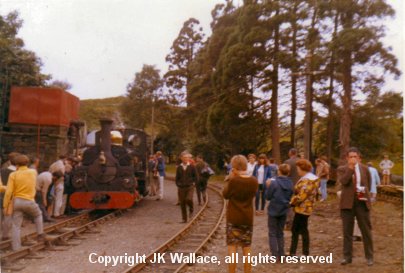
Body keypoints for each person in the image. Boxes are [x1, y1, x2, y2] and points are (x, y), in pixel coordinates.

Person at [3, 155, 54, 251]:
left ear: (16, 164)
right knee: (38, 214)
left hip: (17, 201)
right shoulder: (33, 172)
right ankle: (40, 234)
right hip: (29, 201)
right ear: (27, 163)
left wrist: (6, 205)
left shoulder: (13, 175)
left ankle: (16, 248)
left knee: (16, 226)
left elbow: (9, 192)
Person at [338, 147, 373, 266]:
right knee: (347, 232)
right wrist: (350, 169)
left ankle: (369, 257)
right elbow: (344, 181)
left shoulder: (365, 169)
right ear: (347, 158)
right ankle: (347, 257)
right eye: (351, 157)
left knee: (366, 231)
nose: (353, 159)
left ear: (359, 157)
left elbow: (368, 183)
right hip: (347, 204)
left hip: (362, 203)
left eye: (355, 156)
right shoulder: (342, 169)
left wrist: (367, 196)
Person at [222, 155, 258, 273]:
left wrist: (229, 178)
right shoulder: (254, 181)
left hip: (233, 218)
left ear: (234, 167)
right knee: (246, 248)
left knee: (232, 248)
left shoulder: (233, 180)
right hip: (247, 218)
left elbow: (225, 195)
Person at [289, 159, 319, 256]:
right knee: (302, 229)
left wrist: (291, 202)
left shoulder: (308, 180)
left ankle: (294, 252)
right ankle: (303, 252)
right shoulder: (310, 179)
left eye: (298, 168)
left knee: (296, 230)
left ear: (303, 169)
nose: (297, 170)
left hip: (302, 208)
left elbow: (302, 195)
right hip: (306, 207)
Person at [265, 164, 293, 260]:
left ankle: (274, 254)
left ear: (279, 171)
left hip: (273, 209)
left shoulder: (274, 183)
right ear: (288, 172)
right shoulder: (290, 183)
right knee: (280, 232)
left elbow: (268, 196)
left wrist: (267, 186)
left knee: (272, 232)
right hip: (284, 209)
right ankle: (281, 253)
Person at [0, 152, 19, 241]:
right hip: (11, 196)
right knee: (8, 216)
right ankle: (5, 235)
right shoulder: (17, 173)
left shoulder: (2, 170)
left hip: (1, 194)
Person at [175, 152, 198, 223]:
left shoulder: (192, 167)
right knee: (182, 203)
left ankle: (191, 209)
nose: (185, 159)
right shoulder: (179, 167)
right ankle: (184, 219)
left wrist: (194, 183)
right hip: (181, 187)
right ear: (181, 158)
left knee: (188, 199)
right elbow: (177, 178)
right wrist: (178, 184)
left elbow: (196, 177)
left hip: (190, 186)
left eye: (187, 158)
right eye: (184, 158)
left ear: (189, 159)